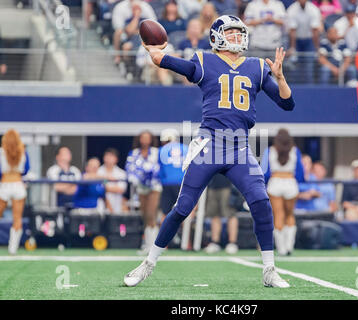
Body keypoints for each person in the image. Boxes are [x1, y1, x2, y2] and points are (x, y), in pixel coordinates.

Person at [124, 14, 295, 288]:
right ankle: (148, 263)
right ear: (217, 36)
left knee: (261, 202)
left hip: (240, 146)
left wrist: (281, 77)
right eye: (233, 33)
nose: (239, 37)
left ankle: (269, 269)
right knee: (183, 207)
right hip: (210, 144)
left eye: (241, 33)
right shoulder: (204, 60)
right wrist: (155, 51)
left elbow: (287, 104)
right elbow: (167, 62)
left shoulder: (257, 67)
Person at [261, 129, 304, 256]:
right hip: (290, 183)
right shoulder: (295, 151)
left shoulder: (270, 151)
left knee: (278, 215)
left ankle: (281, 249)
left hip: (275, 183)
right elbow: (300, 171)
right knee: (290, 215)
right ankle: (289, 247)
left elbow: (265, 171)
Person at [126, 131, 162, 253]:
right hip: (141, 187)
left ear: (151, 139)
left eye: (147, 138)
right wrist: (137, 177)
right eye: (143, 138)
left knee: (151, 214)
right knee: (145, 215)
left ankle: (154, 246)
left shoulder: (157, 152)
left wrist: (151, 174)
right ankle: (147, 244)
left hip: (154, 186)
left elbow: (160, 168)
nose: (145, 140)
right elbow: (130, 168)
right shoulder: (134, 153)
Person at [0, 129, 30, 255]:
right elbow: (26, 170)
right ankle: (13, 248)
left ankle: (12, 248)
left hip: (5, 184)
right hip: (18, 185)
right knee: (17, 218)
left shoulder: (1, 152)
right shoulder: (23, 151)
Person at [204, 174, 239, 254]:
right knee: (214, 215)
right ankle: (215, 242)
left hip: (228, 185)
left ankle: (232, 243)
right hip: (212, 185)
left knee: (231, 214)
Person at [158, 128, 188, 219]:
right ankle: (185, 232)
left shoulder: (161, 150)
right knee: (184, 211)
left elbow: (159, 169)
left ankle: (165, 232)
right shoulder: (186, 148)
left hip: (167, 184)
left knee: (165, 211)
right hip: (183, 184)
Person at [97, 148, 128, 214]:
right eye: (107, 156)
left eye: (111, 156)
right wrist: (106, 183)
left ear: (116, 159)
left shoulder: (121, 173)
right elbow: (99, 188)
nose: (108, 158)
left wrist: (106, 187)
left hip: (117, 204)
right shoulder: (98, 172)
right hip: (101, 204)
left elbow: (121, 189)